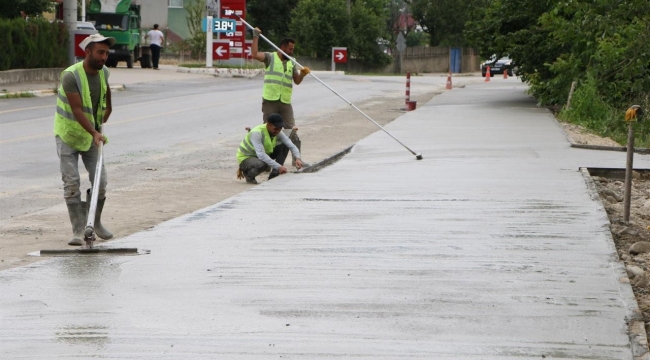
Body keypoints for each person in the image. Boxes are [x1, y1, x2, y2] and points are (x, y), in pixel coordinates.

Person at [54, 34, 115, 246]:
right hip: (69, 134)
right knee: (71, 183)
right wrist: (95, 132)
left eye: (106, 53)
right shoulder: (70, 76)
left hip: (92, 136)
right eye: (100, 52)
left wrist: (107, 112)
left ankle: (95, 222)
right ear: (87, 52)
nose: (104, 57)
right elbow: (77, 109)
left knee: (101, 181)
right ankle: (79, 230)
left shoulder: (104, 72)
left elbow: (106, 100)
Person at [250, 28, 310, 166]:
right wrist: (255, 37)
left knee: (291, 130)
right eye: (290, 49)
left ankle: (297, 160)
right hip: (270, 100)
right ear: (282, 47)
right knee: (269, 131)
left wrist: (302, 74)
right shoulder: (270, 57)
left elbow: (297, 81)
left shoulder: (292, 62)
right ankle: (266, 162)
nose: (292, 51)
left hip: (285, 102)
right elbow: (254, 54)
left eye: (293, 49)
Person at [237, 114, 304, 184]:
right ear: (268, 124)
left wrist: (297, 158)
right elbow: (261, 155)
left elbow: (290, 145)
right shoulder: (257, 133)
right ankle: (249, 175)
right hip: (246, 157)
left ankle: (274, 175)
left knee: (284, 146)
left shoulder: (278, 132)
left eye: (280, 129)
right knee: (262, 165)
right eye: (275, 129)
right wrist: (279, 167)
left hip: (262, 154)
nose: (277, 131)